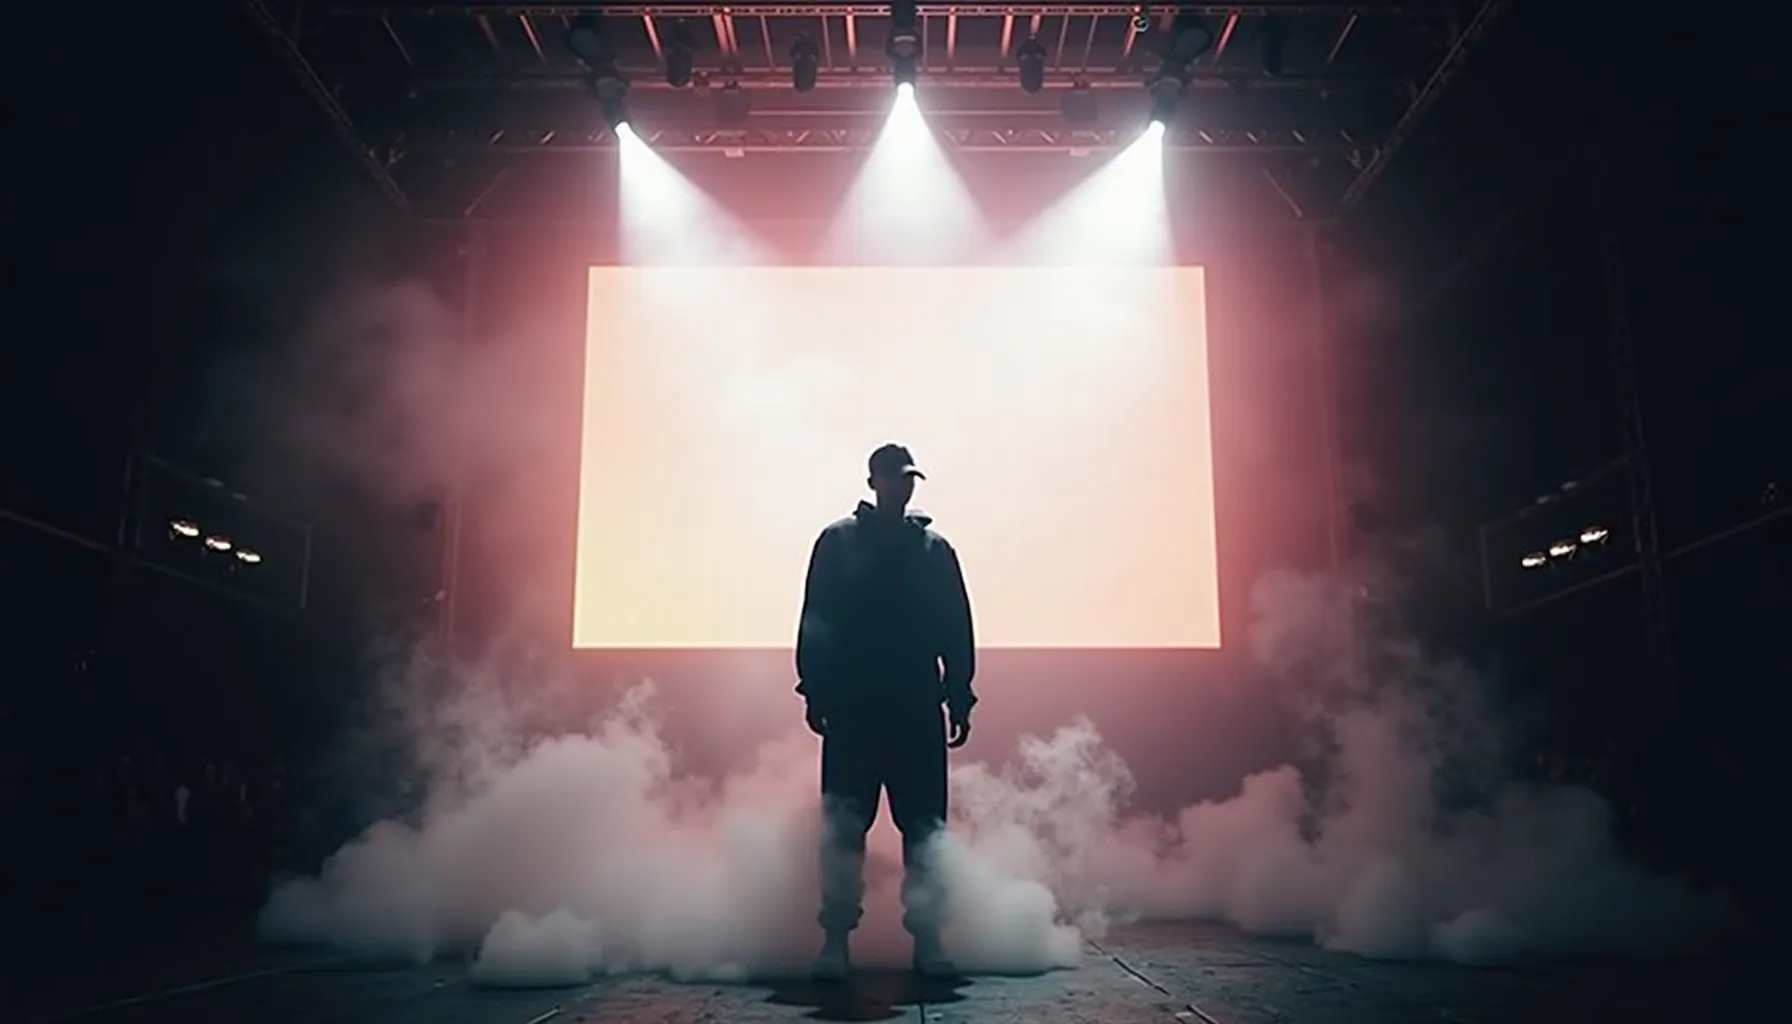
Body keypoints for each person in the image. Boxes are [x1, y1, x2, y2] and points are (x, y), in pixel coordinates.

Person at [795, 443, 977, 980]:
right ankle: (835, 940)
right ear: (873, 481)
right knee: (844, 825)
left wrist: (959, 693)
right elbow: (817, 618)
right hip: (855, 704)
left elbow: (955, 625)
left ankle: (928, 938)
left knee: (925, 827)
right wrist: (816, 690)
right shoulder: (837, 542)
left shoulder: (934, 551)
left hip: (915, 704)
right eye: (895, 478)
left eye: (909, 478)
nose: (904, 486)